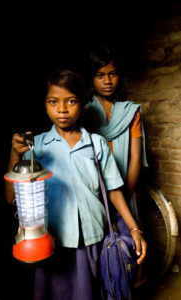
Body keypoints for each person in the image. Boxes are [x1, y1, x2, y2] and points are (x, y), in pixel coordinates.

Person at [5, 69, 146, 300]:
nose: (62, 109)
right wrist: (14, 154)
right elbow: (11, 198)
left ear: (82, 104)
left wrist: (134, 228)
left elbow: (113, 191)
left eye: (71, 101)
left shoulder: (97, 144)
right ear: (45, 104)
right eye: (54, 101)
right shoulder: (35, 147)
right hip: (51, 242)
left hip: (92, 240)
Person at [84, 44, 148, 221]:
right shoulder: (84, 113)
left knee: (126, 239)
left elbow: (135, 157)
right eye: (100, 75)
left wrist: (125, 197)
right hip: (94, 191)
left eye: (112, 74)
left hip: (126, 188)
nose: (107, 81)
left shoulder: (131, 112)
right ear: (91, 78)